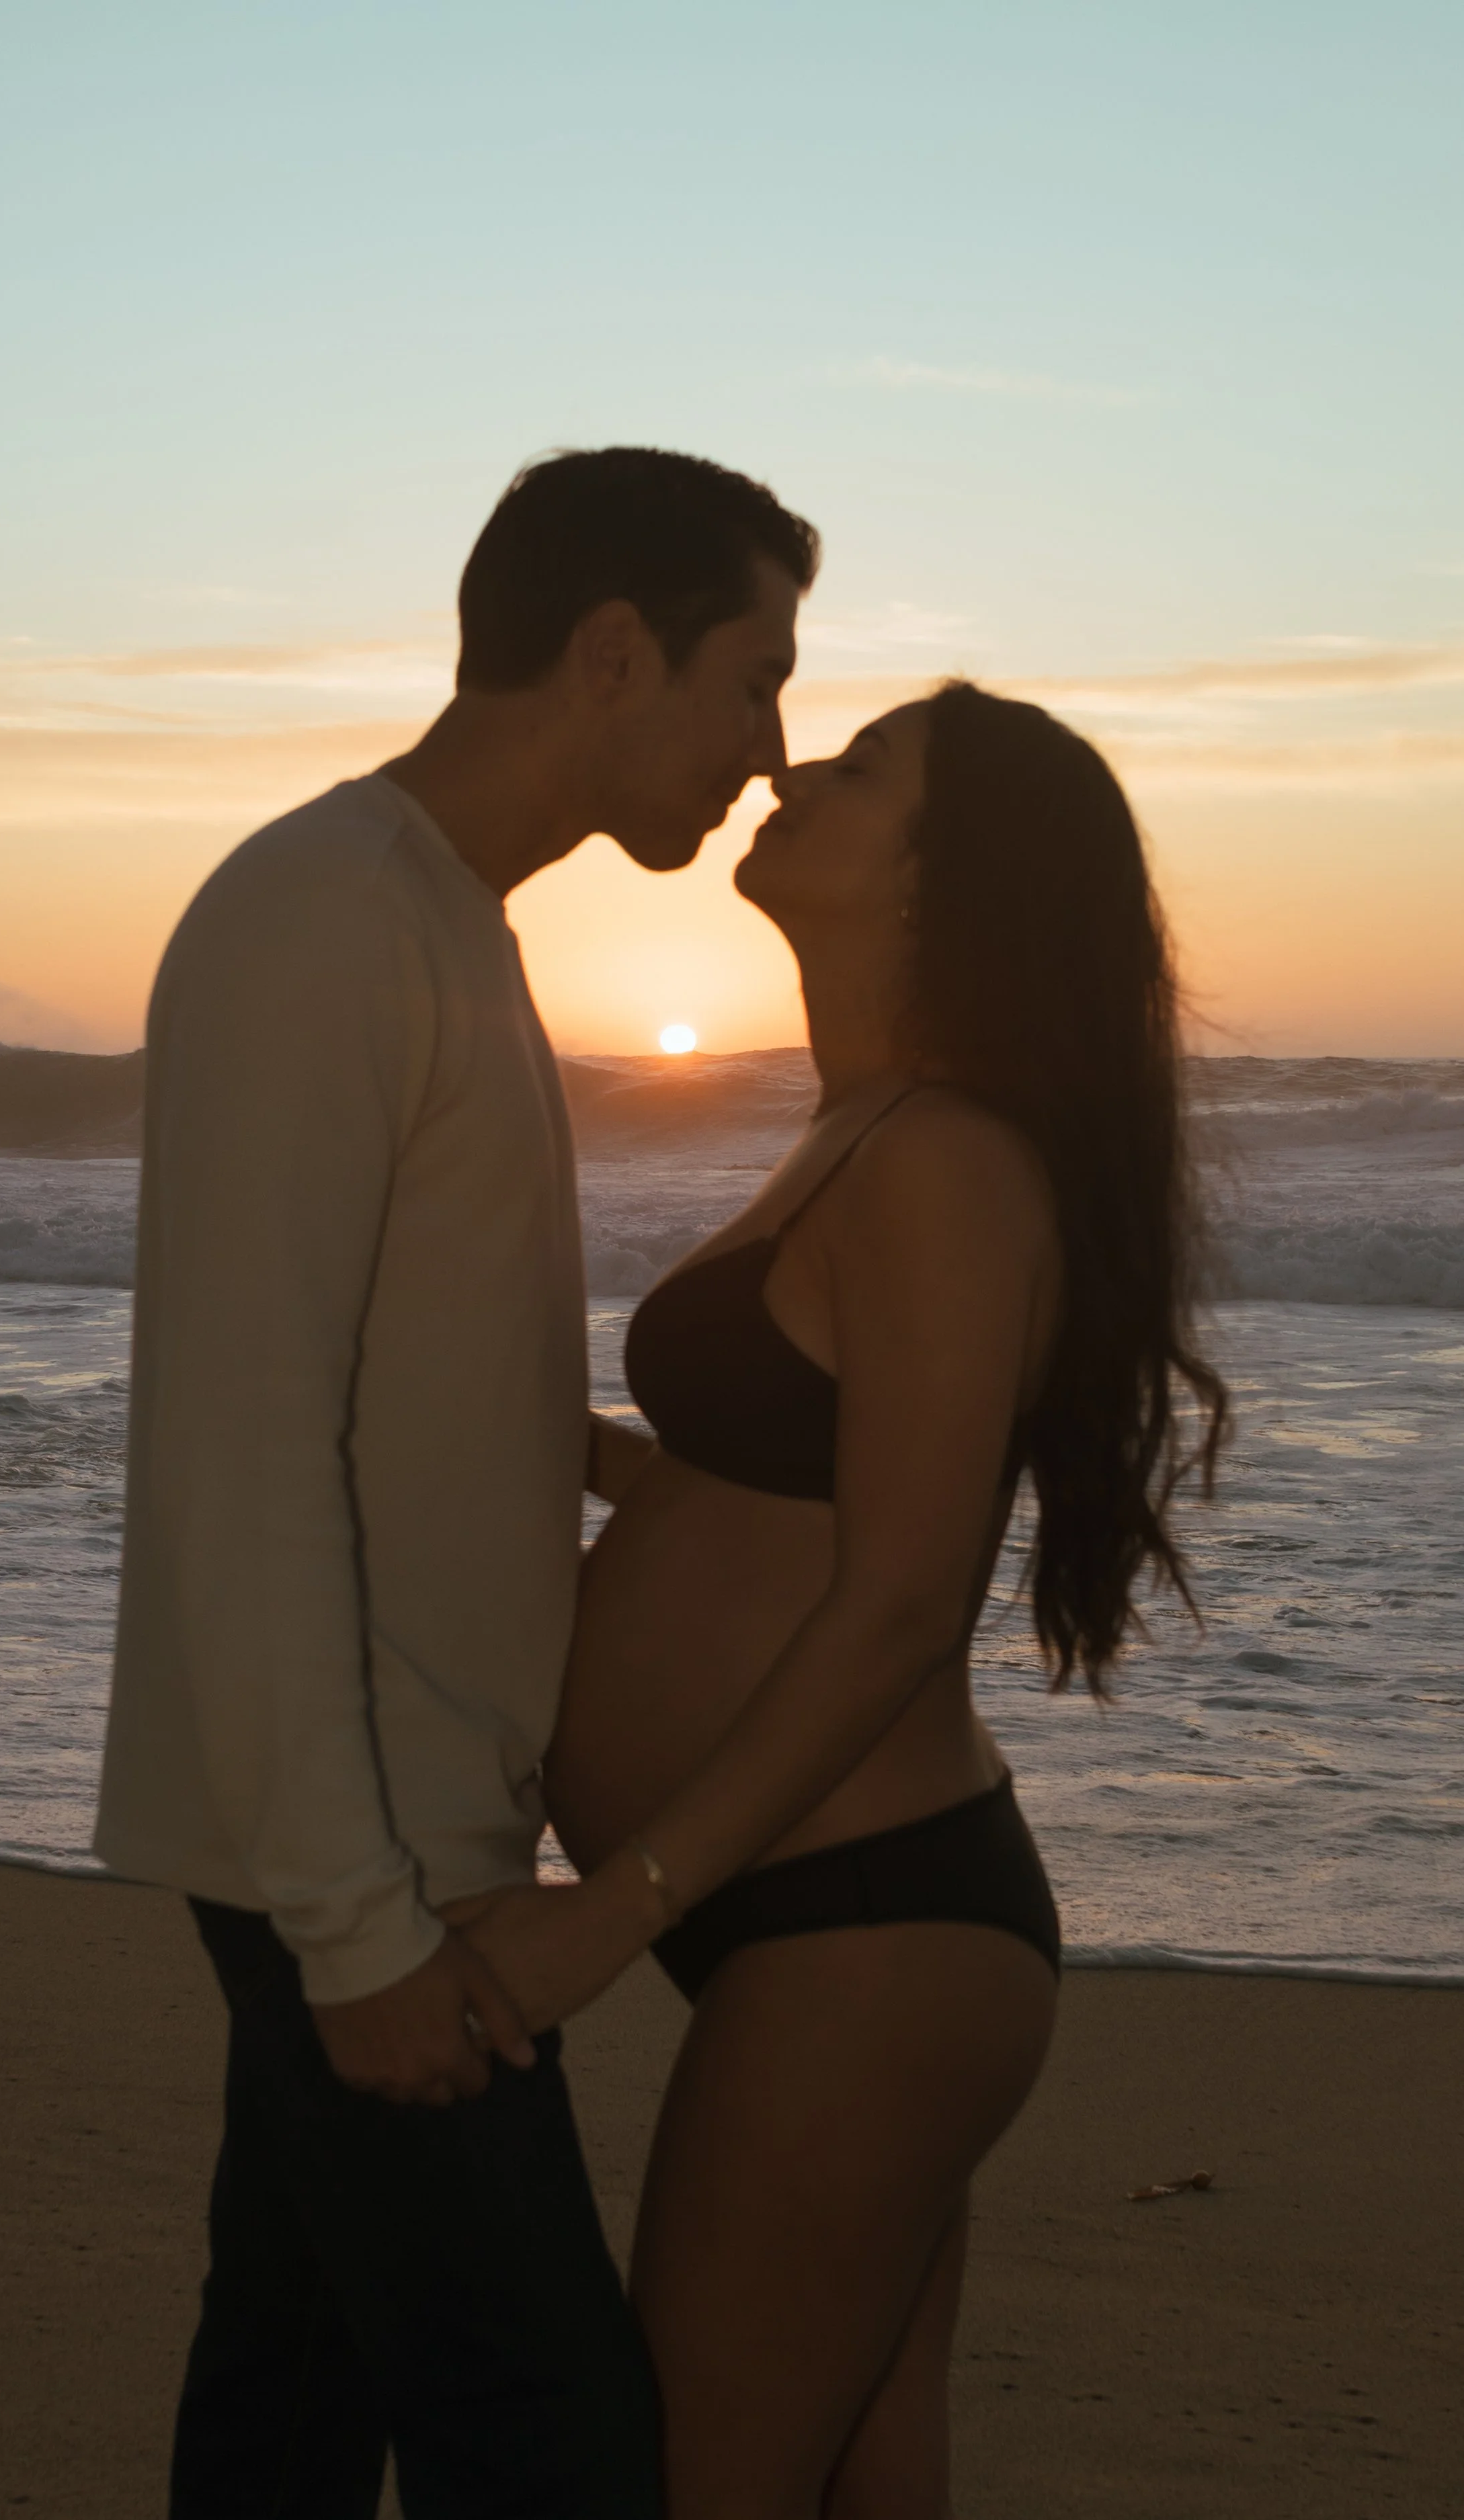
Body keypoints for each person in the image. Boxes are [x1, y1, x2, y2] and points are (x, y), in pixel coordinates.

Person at [92, 446, 819, 2519]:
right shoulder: (331, 918)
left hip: (381, 1818)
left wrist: (625, 1473)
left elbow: (372, 1378)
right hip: (361, 1850)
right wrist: (359, 1931)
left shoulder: (434, 915)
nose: (771, 749)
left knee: (294, 2385)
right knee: (553, 2430)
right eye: (751, 677)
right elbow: (243, 1453)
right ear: (610, 652)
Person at [460, 680, 1228, 2518]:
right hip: (825, 1922)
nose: (795, 764)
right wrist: (534, 1437)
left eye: (862, 764)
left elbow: (894, 1602)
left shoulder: (947, 1166)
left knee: (698, 2484)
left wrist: (604, 1910)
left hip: (859, 1927)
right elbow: (768, 1498)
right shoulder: (864, 1125)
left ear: (943, 880)